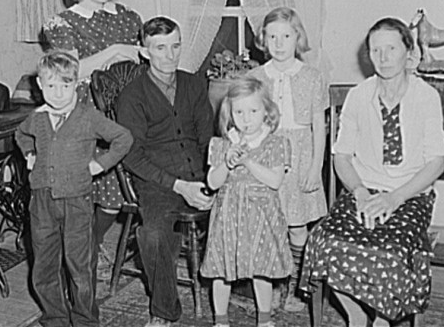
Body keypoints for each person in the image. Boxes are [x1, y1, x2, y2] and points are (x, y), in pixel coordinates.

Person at [299, 17, 444, 327]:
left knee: (391, 252)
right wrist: (360, 193)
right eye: (376, 50)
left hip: (409, 194)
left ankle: (382, 320)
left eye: (391, 48)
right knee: (323, 242)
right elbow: (342, 157)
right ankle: (356, 317)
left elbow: (436, 162)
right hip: (363, 191)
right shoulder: (358, 96)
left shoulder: (426, 97)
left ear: (409, 52)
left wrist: (395, 198)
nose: (383, 57)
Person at [43, 0, 143, 280]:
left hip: (126, 110)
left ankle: (91, 242)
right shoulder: (65, 22)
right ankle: (83, 248)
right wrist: (114, 51)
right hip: (86, 112)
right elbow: (70, 72)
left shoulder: (128, 17)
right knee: (90, 194)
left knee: (118, 197)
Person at [15, 51, 134, 327]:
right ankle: (55, 317)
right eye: (52, 86)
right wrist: (30, 153)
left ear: (77, 84)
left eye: (66, 85)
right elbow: (20, 134)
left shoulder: (88, 116)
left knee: (80, 265)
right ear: (40, 86)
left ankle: (85, 320)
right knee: (44, 265)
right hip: (42, 201)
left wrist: (100, 164)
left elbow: (123, 138)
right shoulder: (37, 117)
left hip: (77, 202)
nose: (58, 93)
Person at [115, 16, 215, 327]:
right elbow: (132, 156)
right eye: (160, 48)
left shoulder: (195, 84)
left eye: (175, 46)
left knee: (247, 204)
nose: (170, 55)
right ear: (144, 52)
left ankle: (250, 289)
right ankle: (164, 311)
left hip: (202, 173)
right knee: (155, 235)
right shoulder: (131, 96)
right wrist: (179, 187)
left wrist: (211, 181)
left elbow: (208, 137)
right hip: (158, 181)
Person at [248, 7, 328, 311]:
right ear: (263, 40)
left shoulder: (312, 76)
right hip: (267, 154)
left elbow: (318, 127)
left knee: (296, 225)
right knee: (269, 225)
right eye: (272, 37)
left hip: (301, 154)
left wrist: (315, 167)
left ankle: (298, 285)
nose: (279, 43)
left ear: (298, 37)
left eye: (286, 35)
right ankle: (275, 284)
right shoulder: (256, 77)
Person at [201, 76, 294, 327]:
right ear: (229, 114)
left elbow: (274, 181)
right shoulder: (221, 144)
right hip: (228, 216)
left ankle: (264, 318)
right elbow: (212, 182)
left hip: (261, 217)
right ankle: (220, 319)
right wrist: (226, 163)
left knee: (261, 267)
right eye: (239, 111)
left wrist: (248, 162)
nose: (246, 118)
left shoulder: (276, 143)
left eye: (253, 110)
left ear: (267, 112)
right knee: (221, 269)